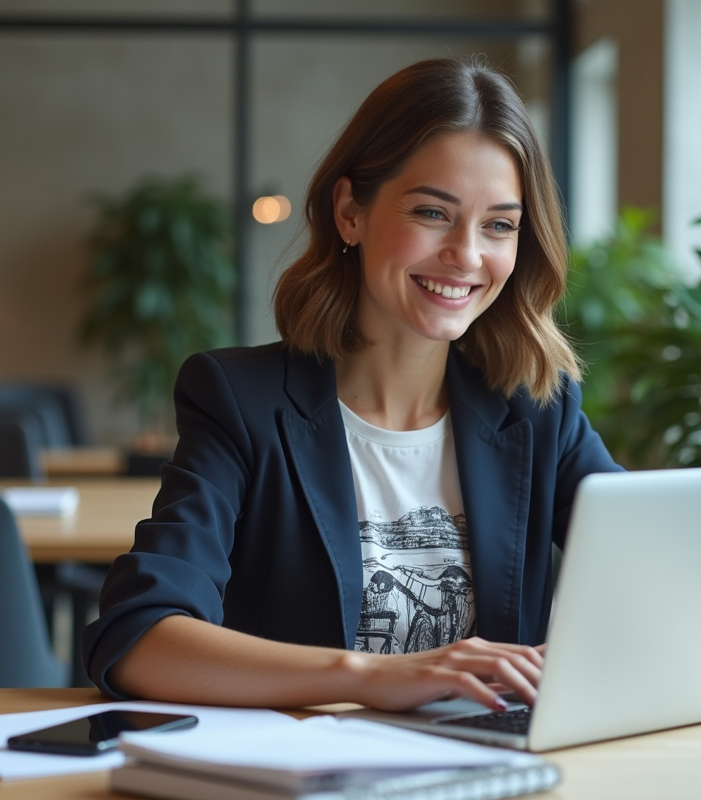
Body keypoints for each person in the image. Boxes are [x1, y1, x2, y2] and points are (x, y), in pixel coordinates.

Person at [83, 56, 623, 713]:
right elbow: (139, 639)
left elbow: (659, 569)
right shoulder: (239, 400)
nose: (468, 254)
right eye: (433, 212)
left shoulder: (539, 409)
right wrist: (367, 675)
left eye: (500, 225)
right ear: (350, 213)